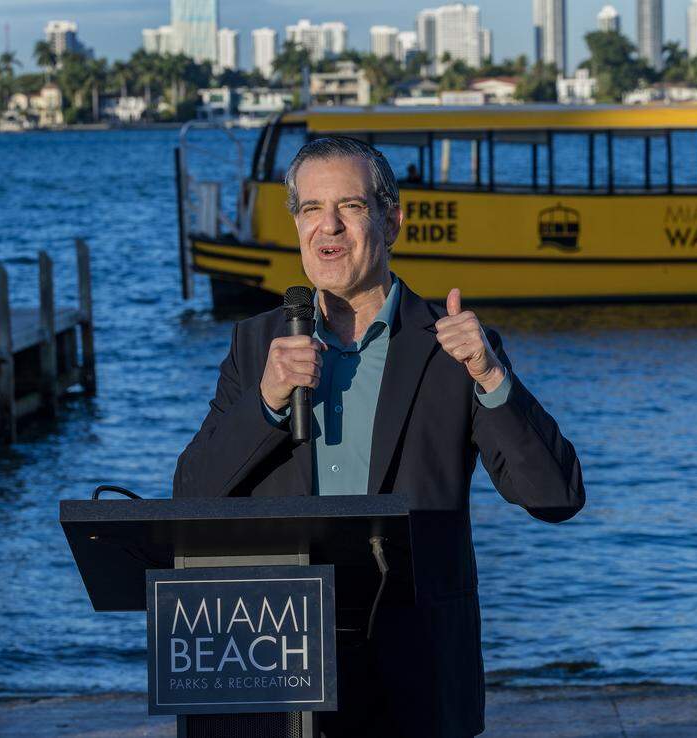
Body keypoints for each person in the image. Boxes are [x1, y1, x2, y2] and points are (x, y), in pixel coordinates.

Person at [173, 136, 585, 737]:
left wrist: (491, 376)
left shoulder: (452, 345)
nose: (329, 226)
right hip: (280, 664)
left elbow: (555, 496)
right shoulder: (257, 345)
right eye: (311, 209)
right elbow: (191, 494)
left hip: (417, 670)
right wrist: (265, 402)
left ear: (392, 221)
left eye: (351, 206)